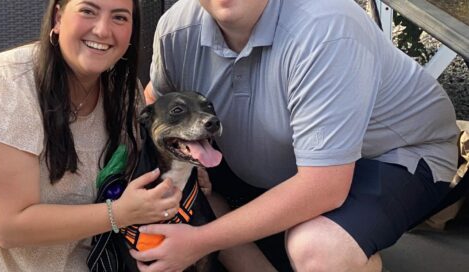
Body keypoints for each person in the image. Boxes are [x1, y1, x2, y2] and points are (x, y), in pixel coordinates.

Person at [131, 0, 463, 271]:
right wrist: (191, 157)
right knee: (205, 198)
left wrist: (198, 242)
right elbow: (156, 101)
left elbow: (324, 187)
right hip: (286, 160)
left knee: (318, 248)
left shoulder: (325, 27)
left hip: (391, 154)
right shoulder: (177, 29)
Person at [0, 0, 183, 271]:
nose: (103, 30)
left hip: (74, 250)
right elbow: (6, 227)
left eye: (119, 17)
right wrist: (118, 213)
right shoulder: (6, 86)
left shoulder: (123, 93)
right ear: (58, 17)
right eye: (88, 11)